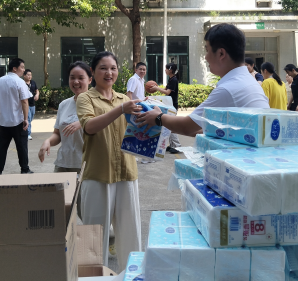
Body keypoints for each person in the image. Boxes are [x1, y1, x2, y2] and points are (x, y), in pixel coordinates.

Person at [136, 23, 269, 135]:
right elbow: (210, 130)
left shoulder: (229, 89)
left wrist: (159, 117)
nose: (205, 57)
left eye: (207, 50)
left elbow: (187, 126)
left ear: (221, 53)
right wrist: (165, 122)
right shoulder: (249, 82)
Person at [76, 51, 143, 271]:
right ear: (93, 72)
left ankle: (131, 273)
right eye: (103, 68)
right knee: (95, 237)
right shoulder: (86, 98)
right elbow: (89, 126)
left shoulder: (125, 99)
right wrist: (120, 110)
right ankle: (95, 275)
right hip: (98, 175)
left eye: (113, 68)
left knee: (131, 233)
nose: (109, 73)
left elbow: (138, 131)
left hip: (126, 172)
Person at [38, 61, 91, 219]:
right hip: (63, 164)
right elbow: (58, 134)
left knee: (86, 213)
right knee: (60, 210)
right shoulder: (64, 105)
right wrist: (48, 141)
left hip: (86, 166)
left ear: (90, 79)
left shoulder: (97, 104)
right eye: (72, 77)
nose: (76, 81)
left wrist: (83, 122)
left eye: (81, 77)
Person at [0, 58, 33, 175]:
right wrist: (26, 119)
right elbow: (24, 101)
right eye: (22, 67)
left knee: (1, 147)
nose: (24, 70)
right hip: (18, 121)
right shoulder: (20, 82)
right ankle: (24, 169)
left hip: (4, 122)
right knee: (22, 146)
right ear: (14, 68)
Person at [149, 63, 181, 152]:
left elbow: (167, 92)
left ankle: (177, 146)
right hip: (170, 105)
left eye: (166, 69)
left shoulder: (174, 80)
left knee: (172, 125)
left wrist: (156, 88)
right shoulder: (171, 79)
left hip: (172, 106)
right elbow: (165, 90)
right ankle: (172, 144)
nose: (165, 70)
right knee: (168, 125)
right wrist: (157, 88)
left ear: (170, 70)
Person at [23, 69, 39, 141]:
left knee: (31, 117)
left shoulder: (33, 82)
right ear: (24, 75)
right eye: (28, 75)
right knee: (28, 118)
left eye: (31, 75)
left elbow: (37, 90)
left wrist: (37, 95)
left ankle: (24, 128)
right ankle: (28, 134)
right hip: (25, 104)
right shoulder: (22, 83)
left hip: (32, 104)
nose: (30, 76)